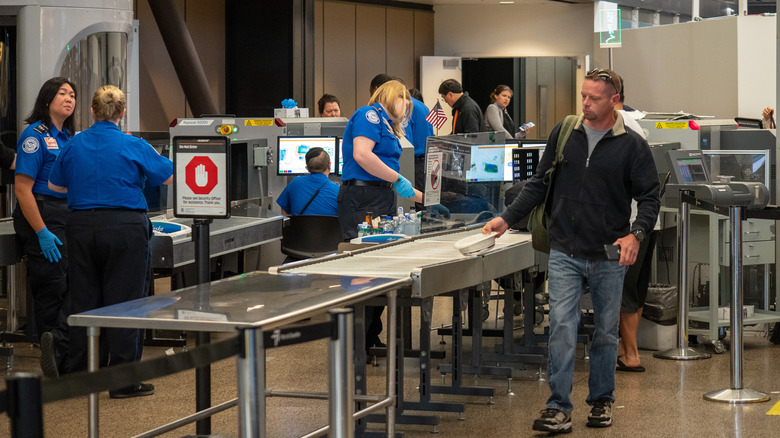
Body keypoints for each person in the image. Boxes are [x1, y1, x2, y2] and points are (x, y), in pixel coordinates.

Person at [482, 68, 660, 433]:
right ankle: (558, 406)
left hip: (608, 251)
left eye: (594, 98)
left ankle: (602, 400)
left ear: (615, 101)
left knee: (606, 332)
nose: (586, 103)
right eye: (583, 96)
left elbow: (649, 197)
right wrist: (506, 218)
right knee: (562, 326)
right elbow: (538, 184)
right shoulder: (566, 132)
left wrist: (636, 234)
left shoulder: (632, 145)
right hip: (565, 249)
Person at [48, 85, 173, 398]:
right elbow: (168, 175)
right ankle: (122, 381)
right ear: (122, 113)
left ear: (91, 112)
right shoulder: (132, 143)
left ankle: (80, 376)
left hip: (79, 226)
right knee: (126, 302)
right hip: (124, 227)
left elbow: (54, 184)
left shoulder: (74, 145)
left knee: (83, 299)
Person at [338, 79, 422, 352]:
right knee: (363, 270)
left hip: (381, 195)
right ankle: (355, 343)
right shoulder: (368, 115)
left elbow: (389, 169)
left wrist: (425, 198)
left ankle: (370, 336)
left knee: (380, 270)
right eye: (403, 100)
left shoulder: (387, 124)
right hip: (363, 198)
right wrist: (398, 179)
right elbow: (362, 155)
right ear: (389, 96)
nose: (406, 106)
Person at [12, 77, 76, 378]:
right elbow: (23, 189)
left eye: (73, 95)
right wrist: (40, 231)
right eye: (63, 93)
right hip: (40, 211)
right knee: (51, 283)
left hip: (64, 213)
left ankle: (62, 348)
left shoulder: (68, 138)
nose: (69, 98)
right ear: (47, 99)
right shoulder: (34, 136)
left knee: (69, 282)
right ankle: (52, 353)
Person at [615, 83, 658, 373]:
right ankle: (627, 348)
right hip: (647, 220)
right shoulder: (635, 122)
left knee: (625, 290)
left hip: (630, 222)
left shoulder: (620, 124)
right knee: (638, 288)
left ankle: (630, 354)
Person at [275, 147, 339, 216]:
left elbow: (284, 210)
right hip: (329, 227)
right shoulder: (338, 190)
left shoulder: (295, 183)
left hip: (299, 226)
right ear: (329, 165)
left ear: (307, 168)